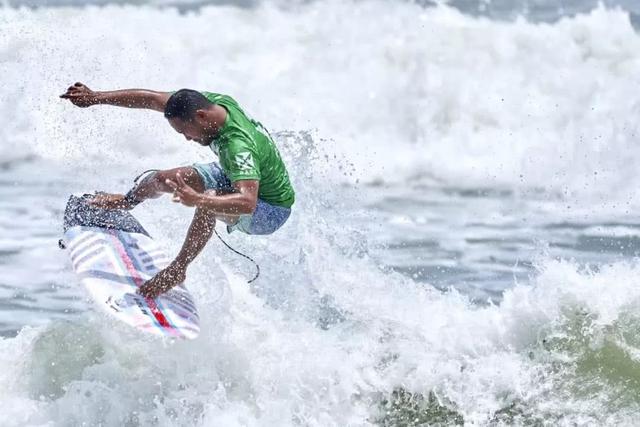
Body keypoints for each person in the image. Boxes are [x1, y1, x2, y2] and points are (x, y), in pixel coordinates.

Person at [60, 83, 295, 298]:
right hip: (234, 174)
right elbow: (150, 99)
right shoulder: (213, 104)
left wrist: (198, 198)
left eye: (186, 131)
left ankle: (177, 270)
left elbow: (247, 202)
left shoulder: (238, 146)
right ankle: (126, 201)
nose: (187, 139)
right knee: (161, 179)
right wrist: (95, 97)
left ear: (201, 117)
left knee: (209, 202)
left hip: (269, 209)